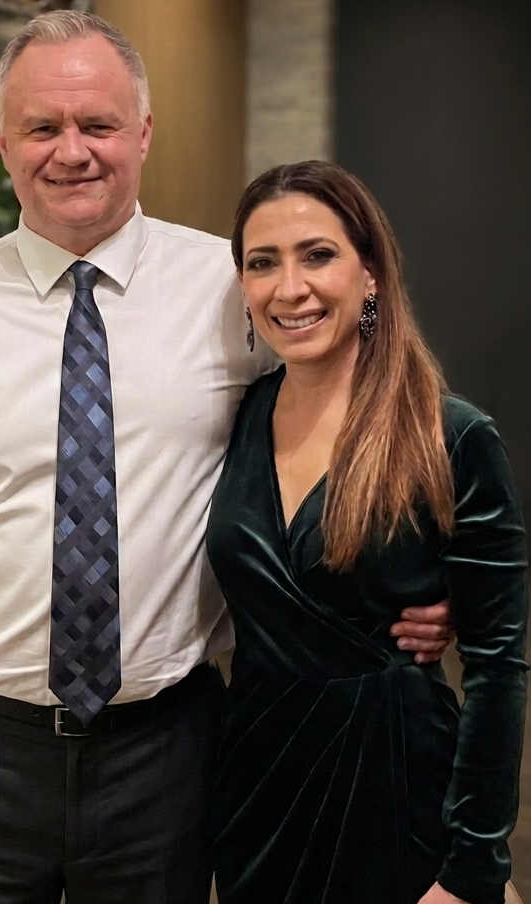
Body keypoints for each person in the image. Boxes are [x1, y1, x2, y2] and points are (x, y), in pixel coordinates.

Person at [0, 14, 451, 904]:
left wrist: (404, 589)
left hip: (167, 756)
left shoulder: (237, 292)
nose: (72, 152)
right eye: (43, 128)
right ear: (4, 140)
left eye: (97, 124)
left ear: (143, 132)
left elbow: (343, 437)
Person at [206, 160, 528, 904]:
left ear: (371, 273)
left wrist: (474, 868)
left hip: (395, 785)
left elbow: (498, 673)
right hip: (259, 791)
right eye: (263, 263)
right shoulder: (238, 417)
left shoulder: (451, 436)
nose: (291, 287)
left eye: (317, 254)